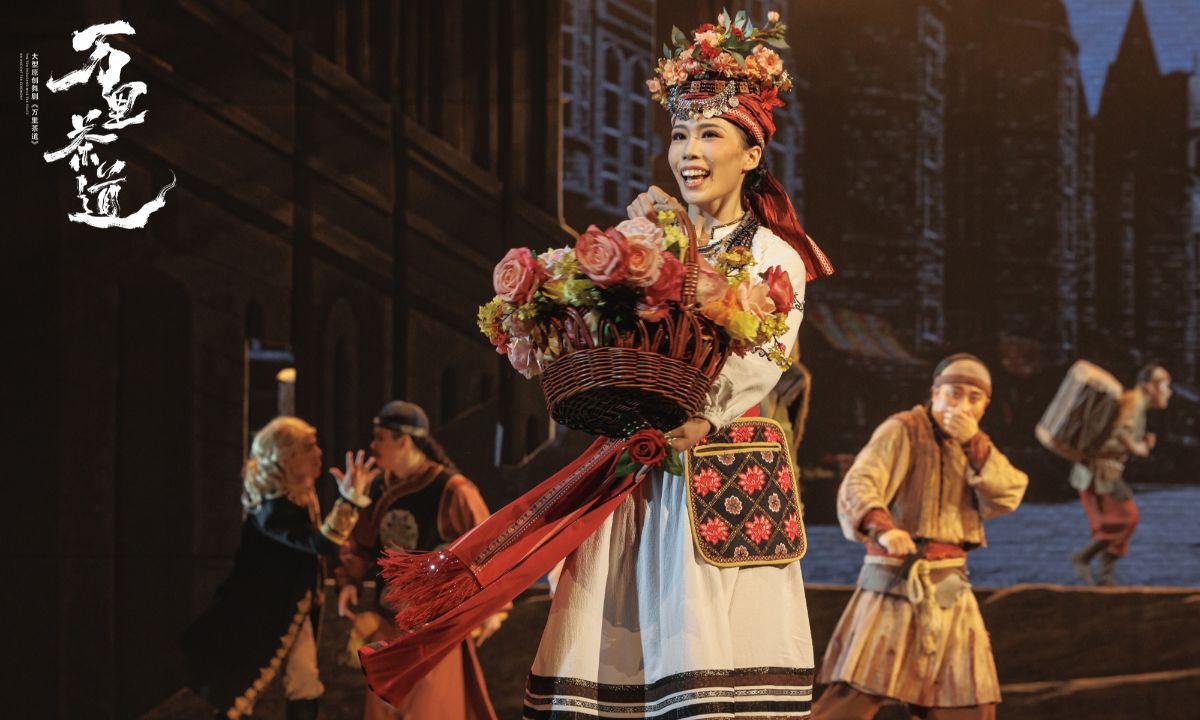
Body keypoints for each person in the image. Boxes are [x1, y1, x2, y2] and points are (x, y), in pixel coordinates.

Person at [522, 14, 833, 718]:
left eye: (710, 134)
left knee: (707, 656)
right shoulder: (649, 240)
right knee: (619, 654)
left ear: (752, 154)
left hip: (719, 465)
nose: (689, 151)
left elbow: (763, 358)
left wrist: (699, 414)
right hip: (639, 469)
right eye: (680, 134)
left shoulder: (774, 254)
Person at [813, 354, 1028, 720]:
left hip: (949, 586)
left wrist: (974, 444)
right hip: (897, 580)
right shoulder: (902, 429)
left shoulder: (977, 447)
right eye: (954, 393)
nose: (962, 405)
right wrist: (885, 529)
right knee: (858, 689)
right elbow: (860, 484)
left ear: (985, 406)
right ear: (935, 392)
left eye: (974, 398)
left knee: (965, 697)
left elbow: (1008, 492)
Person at [182, 416, 377, 720]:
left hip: (292, 610)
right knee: (241, 691)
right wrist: (349, 500)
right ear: (287, 459)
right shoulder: (271, 507)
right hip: (257, 614)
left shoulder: (300, 495)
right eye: (309, 448)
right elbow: (319, 543)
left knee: (305, 681)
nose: (319, 453)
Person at [336, 401, 501, 720]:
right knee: (383, 709)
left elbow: (489, 548)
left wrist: (491, 609)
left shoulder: (452, 489)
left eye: (380, 437)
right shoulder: (377, 487)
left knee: (430, 710)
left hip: (435, 630)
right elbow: (359, 545)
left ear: (404, 441)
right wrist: (348, 580)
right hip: (387, 623)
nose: (372, 446)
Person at [1069, 364, 1172, 585]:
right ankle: (1084, 559)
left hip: (1101, 471)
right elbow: (1121, 433)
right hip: (1102, 472)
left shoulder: (1135, 402)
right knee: (1126, 517)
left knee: (1114, 521)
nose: (1168, 392)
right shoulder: (1135, 401)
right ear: (1148, 386)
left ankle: (1104, 577)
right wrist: (1140, 448)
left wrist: (1141, 443)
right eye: (1164, 385)